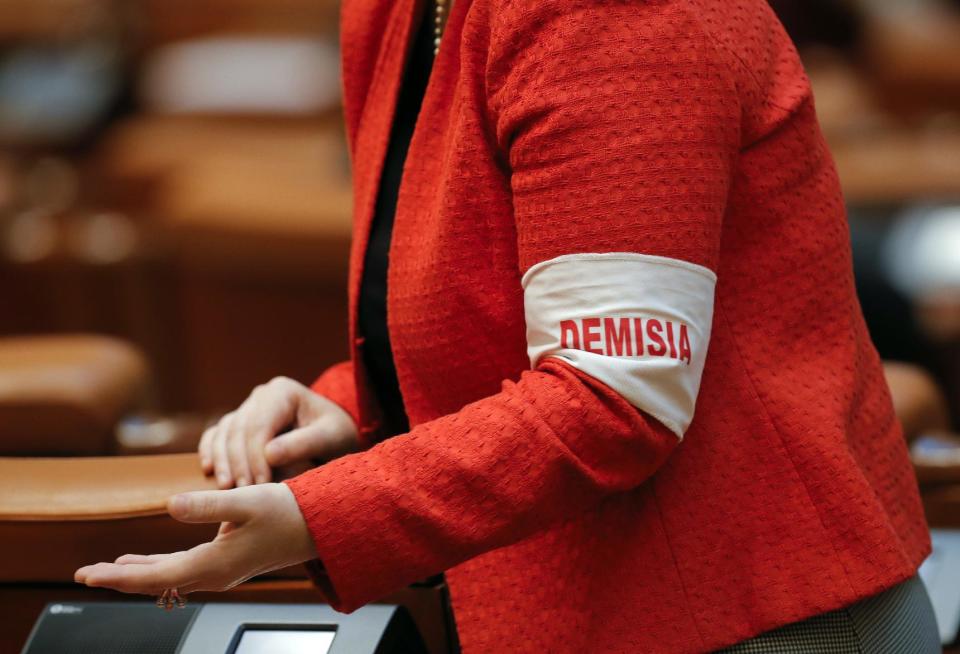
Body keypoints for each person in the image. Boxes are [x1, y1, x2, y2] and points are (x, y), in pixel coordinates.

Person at [75, 0, 941, 650]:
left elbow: (610, 396)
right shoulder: (396, 10)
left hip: (757, 616)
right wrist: (358, 406)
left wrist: (321, 515)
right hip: (561, 609)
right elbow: (490, 294)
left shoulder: (613, 15)